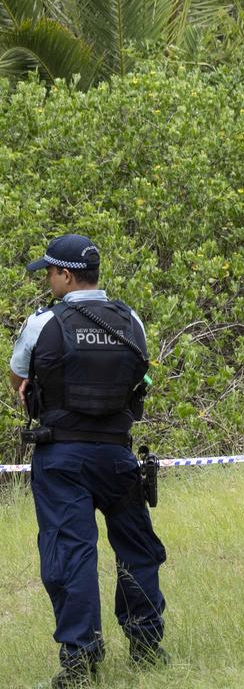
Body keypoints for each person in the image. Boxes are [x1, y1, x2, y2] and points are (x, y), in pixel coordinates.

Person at [8, 234, 168, 687]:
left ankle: (80, 662)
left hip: (61, 457)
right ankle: (147, 648)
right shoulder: (130, 319)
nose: (48, 281)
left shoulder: (44, 323)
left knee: (70, 554)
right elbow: (144, 378)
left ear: (65, 274)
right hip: (119, 455)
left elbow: (17, 379)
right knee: (137, 552)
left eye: (50, 273)